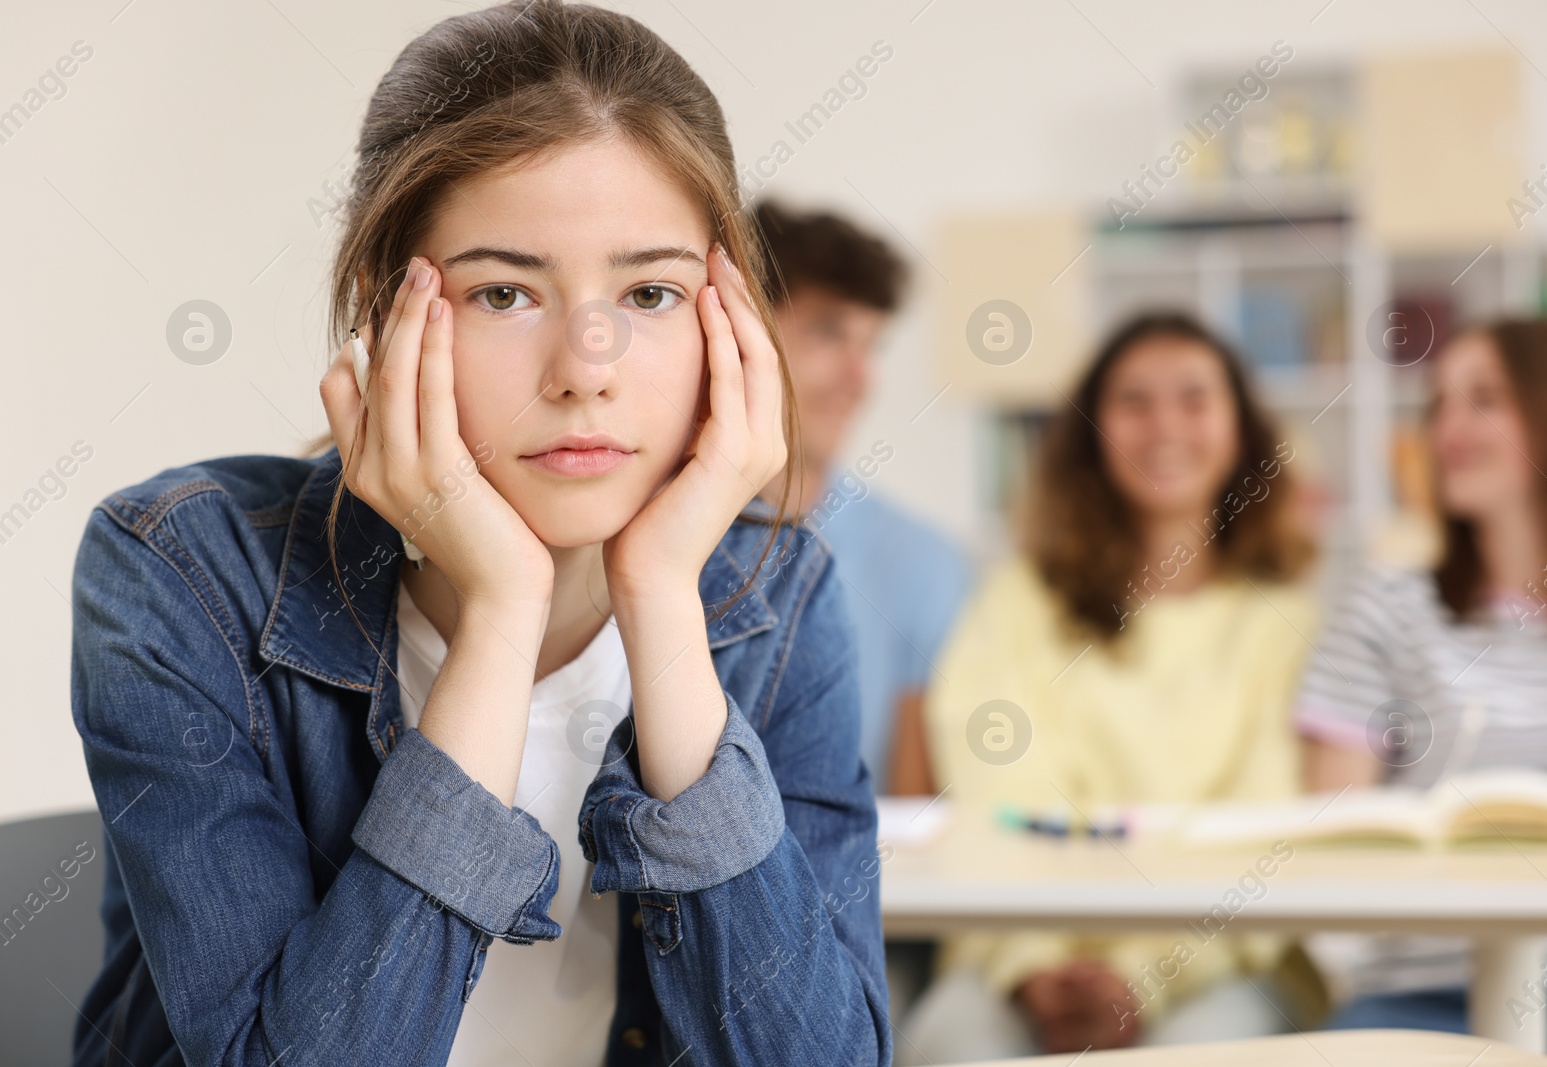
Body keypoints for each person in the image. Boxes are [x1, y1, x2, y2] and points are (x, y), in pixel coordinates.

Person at [66, 5, 891, 1065]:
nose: (586, 365)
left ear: (721, 320)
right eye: (504, 292)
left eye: (648, 291)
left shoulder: (781, 595)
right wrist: (501, 614)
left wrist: (662, 606)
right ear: (383, 312)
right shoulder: (178, 571)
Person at [902, 311, 1320, 1062]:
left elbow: (1261, 831)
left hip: (1220, 971)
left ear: (1240, 431)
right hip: (1017, 961)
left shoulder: (1285, 623)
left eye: (1194, 398)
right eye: (1133, 401)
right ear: (1093, 431)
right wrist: (1036, 970)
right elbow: (996, 794)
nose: (1164, 425)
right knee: (948, 1045)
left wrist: (1141, 980)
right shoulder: (1016, 600)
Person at [1297, 317, 1547, 1064]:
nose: (1450, 428)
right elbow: (1331, 840)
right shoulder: (1386, 606)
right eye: (1439, 405)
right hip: (1418, 1002)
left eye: (1485, 399)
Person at [749, 200, 971, 797]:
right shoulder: (635, 537)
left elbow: (908, 830)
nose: (859, 377)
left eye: (870, 346)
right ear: (743, 330)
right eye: (828, 333)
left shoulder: (923, 564)